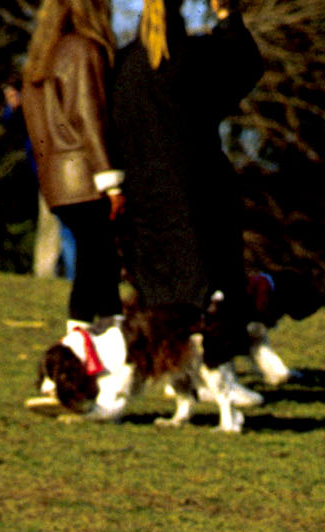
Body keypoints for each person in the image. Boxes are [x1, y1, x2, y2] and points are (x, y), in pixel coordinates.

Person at [108, 0, 261, 360]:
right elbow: (246, 63)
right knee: (209, 289)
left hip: (144, 197)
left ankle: (167, 365)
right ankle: (216, 366)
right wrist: (227, 14)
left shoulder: (124, 65)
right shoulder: (195, 57)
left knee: (159, 293)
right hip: (199, 192)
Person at [22, 0, 125, 330]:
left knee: (98, 262)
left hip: (57, 180)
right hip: (85, 177)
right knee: (95, 264)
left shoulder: (42, 56)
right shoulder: (84, 50)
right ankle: (76, 348)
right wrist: (111, 182)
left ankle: (108, 342)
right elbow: (89, 117)